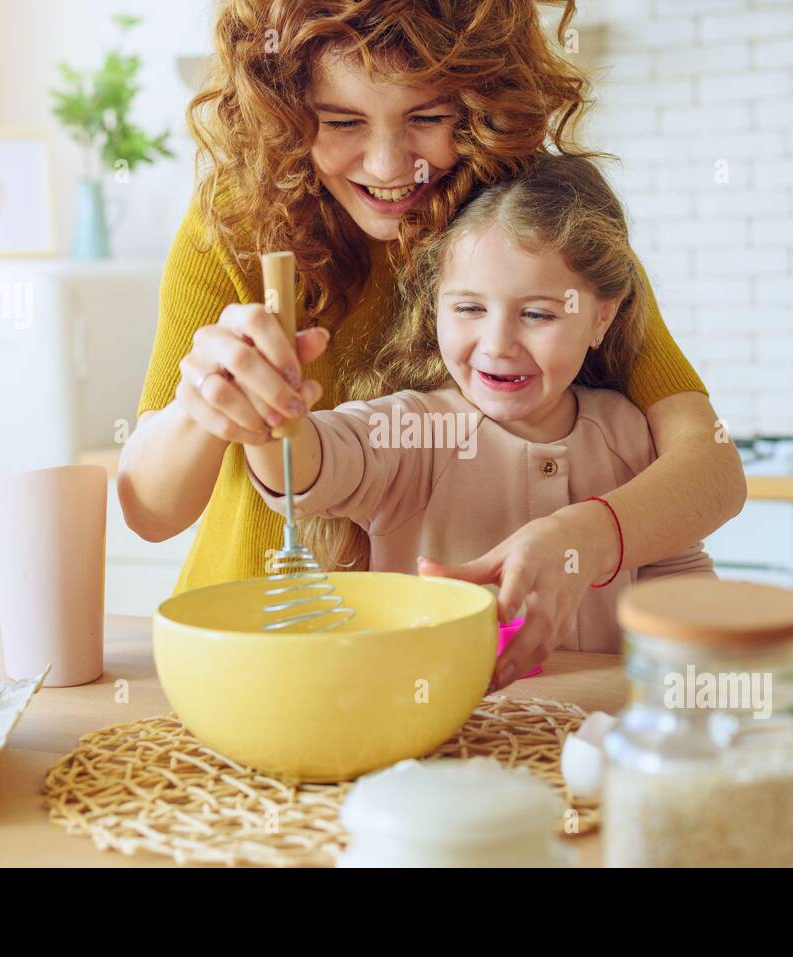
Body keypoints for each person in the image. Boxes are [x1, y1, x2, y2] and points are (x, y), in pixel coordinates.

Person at [118, 0, 746, 689]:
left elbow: (711, 468)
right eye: (340, 121)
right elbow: (150, 508)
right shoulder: (240, 220)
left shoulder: (531, 225)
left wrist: (582, 535)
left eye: (426, 118)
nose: (389, 166)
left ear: (479, 103)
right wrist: (202, 401)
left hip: (442, 672)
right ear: (286, 114)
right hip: (252, 647)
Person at [243, 152, 715, 663]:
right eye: (469, 308)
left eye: (537, 314)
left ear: (601, 317)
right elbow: (310, 466)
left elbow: (678, 579)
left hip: (592, 726)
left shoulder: (628, 435)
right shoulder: (412, 430)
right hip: (437, 727)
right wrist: (271, 412)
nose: (498, 344)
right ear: (435, 305)